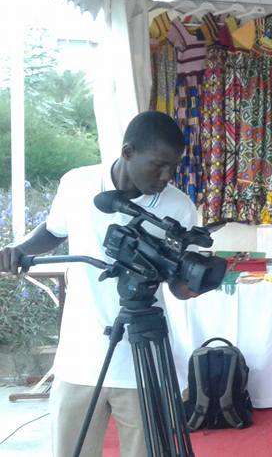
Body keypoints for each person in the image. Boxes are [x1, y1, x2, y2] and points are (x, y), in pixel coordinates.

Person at [0, 111, 198, 457]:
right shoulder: (77, 183)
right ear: (128, 152)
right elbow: (53, 231)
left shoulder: (179, 207)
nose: (166, 176)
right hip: (80, 356)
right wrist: (19, 250)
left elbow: (180, 287)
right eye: (158, 165)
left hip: (142, 361)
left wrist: (194, 283)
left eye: (173, 167)